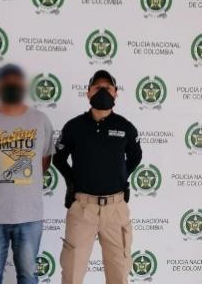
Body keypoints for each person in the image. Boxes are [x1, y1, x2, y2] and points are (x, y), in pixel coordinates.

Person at [0, 65, 54, 284]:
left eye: (16, 81)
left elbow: (44, 161)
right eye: (6, 81)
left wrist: (23, 184)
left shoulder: (40, 120)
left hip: (29, 215)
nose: (11, 85)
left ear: (24, 86)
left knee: (28, 275)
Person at [53, 70, 142, 284]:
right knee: (72, 275)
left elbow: (136, 156)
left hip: (116, 210)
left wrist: (121, 176)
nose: (103, 91)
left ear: (116, 93)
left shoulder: (125, 127)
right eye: (97, 88)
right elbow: (59, 158)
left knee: (119, 275)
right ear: (88, 93)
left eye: (108, 88)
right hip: (83, 209)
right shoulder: (74, 126)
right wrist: (72, 181)